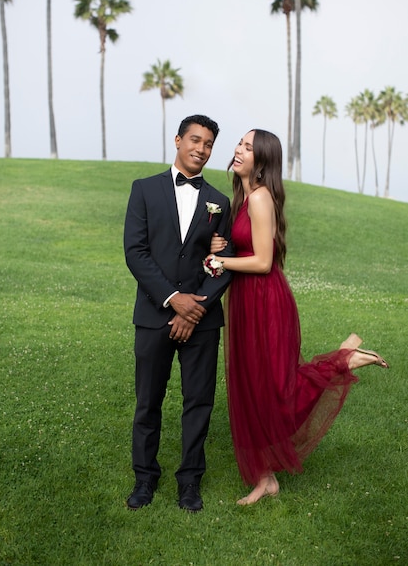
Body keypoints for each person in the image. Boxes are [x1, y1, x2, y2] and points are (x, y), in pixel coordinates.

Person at [207, 128, 389, 505]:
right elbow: (248, 247)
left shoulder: (259, 199)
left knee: (274, 388)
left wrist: (220, 261)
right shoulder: (242, 197)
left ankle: (344, 360)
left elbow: (262, 261)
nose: (238, 150)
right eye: (240, 143)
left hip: (265, 300)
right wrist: (221, 245)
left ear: (263, 161)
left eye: (248, 147)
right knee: (251, 388)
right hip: (244, 300)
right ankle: (265, 479)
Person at [123, 114, 233, 512]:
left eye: (208, 144)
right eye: (195, 140)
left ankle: (190, 483)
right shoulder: (144, 190)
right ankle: (144, 480)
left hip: (202, 321)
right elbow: (136, 252)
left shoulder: (220, 202)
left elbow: (225, 260)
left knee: (198, 402)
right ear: (177, 140)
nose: (201, 149)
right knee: (148, 402)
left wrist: (195, 308)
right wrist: (173, 299)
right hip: (154, 316)